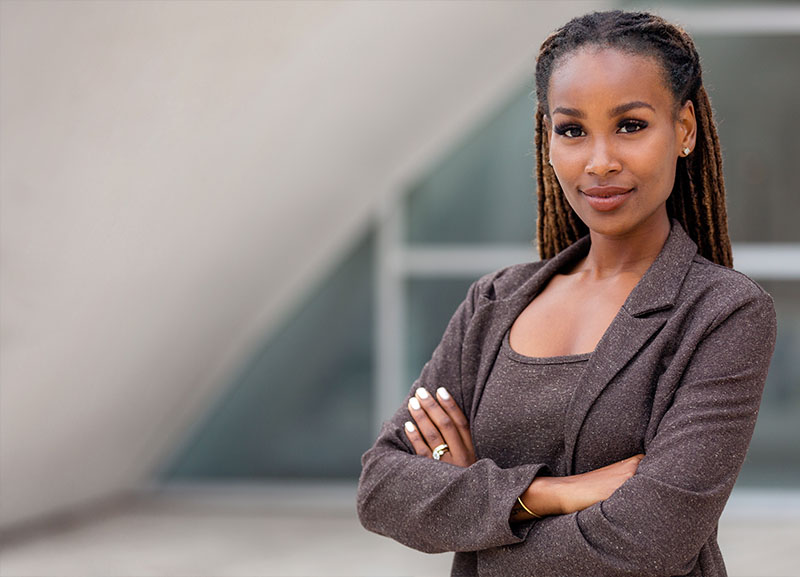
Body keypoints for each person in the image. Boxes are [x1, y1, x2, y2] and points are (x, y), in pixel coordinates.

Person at [357, 10, 777, 577]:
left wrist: (473, 511)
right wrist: (555, 493)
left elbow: (652, 538)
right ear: (548, 139)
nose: (599, 162)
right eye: (572, 130)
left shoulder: (723, 313)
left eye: (630, 125)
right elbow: (382, 487)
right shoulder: (495, 302)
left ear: (683, 130)